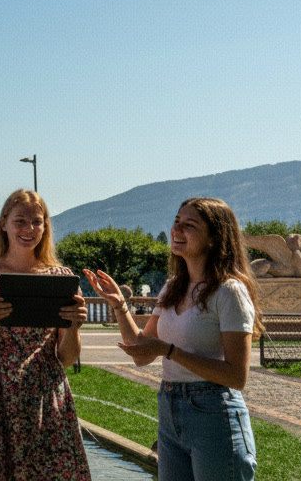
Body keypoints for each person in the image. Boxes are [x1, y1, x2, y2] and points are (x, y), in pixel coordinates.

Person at [84, 197, 262, 481]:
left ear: (215, 238)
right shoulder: (172, 288)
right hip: (169, 407)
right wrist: (118, 305)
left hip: (214, 412)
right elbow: (141, 353)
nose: (177, 230)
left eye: (189, 225)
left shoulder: (229, 292)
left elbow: (236, 376)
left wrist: (170, 351)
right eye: (176, 221)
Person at [0, 189, 90, 480]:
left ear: (45, 227)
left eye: (37, 222)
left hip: (46, 393)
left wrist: (74, 326)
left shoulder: (60, 278)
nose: (29, 229)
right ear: (3, 223)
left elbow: (66, 357)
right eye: (20, 221)